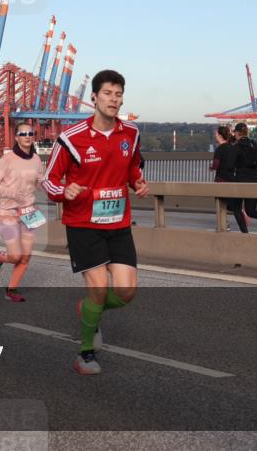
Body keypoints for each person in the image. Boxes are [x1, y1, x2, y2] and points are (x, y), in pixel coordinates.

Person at [42, 69, 150, 375]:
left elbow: (131, 169)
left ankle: (89, 308)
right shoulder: (71, 138)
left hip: (118, 223)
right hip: (83, 225)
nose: (113, 100)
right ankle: (85, 353)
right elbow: (48, 181)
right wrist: (64, 190)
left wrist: (139, 183)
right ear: (94, 97)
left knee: (127, 292)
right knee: (99, 289)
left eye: (118, 95)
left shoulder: (131, 133)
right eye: (107, 94)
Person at [0, 120, 45, 301]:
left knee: (25, 257)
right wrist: (11, 193)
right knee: (15, 255)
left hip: (29, 211)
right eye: (23, 134)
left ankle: (11, 289)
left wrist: (59, 189)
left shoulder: (36, 159)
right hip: (8, 212)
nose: (28, 137)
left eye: (30, 134)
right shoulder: (6, 159)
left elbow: (41, 181)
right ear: (16, 137)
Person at [212, 125, 247, 232]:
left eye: (216, 134)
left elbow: (216, 165)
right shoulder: (232, 147)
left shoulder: (219, 149)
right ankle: (240, 213)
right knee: (231, 203)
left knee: (220, 202)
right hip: (232, 178)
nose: (215, 136)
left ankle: (224, 224)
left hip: (221, 179)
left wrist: (211, 167)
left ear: (220, 135)